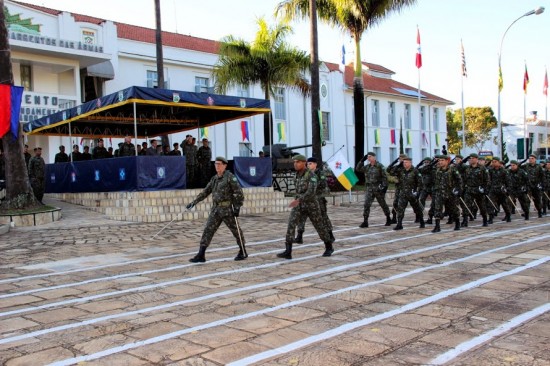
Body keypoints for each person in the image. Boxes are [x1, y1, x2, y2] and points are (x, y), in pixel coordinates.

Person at [186, 157, 247, 263]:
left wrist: (237, 207)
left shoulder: (230, 177)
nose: (217, 166)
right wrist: (193, 202)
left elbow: (239, 193)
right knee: (208, 230)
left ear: (225, 165)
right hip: (216, 209)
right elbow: (205, 192)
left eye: (219, 164)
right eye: (215, 164)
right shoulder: (214, 179)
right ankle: (201, 254)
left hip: (227, 209)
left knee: (236, 231)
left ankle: (243, 251)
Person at [277, 155, 335, 259]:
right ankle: (288, 251)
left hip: (312, 205)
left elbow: (311, 192)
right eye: (294, 162)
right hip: (299, 205)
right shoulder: (296, 175)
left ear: (304, 163)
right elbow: (298, 191)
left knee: (319, 226)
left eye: (298, 162)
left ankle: (329, 246)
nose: (295, 164)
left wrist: (299, 200)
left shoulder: (311, 175)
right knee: (291, 224)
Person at [294, 157, 334, 243]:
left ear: (315, 164)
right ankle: (299, 236)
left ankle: (330, 234)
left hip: (318, 198)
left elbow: (323, 184)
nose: (308, 165)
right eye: (307, 164)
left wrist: (313, 184)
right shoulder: (305, 173)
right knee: (301, 217)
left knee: (322, 217)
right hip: (306, 199)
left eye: (310, 163)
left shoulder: (320, 173)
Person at [355, 152, 392, 228]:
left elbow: (384, 177)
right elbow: (358, 169)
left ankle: (388, 218)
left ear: (374, 157)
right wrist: (362, 161)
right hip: (369, 189)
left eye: (370, 157)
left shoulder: (379, 166)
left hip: (378, 188)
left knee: (383, 204)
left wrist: (384, 188)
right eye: (368, 157)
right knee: (366, 204)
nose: (369, 158)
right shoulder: (367, 167)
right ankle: (365, 221)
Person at [388, 156, 424, 230]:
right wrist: (398, 164)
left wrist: (417, 192)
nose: (405, 164)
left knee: (417, 209)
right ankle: (399, 224)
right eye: (404, 162)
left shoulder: (415, 171)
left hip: (412, 194)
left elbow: (420, 183)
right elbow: (390, 171)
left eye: (406, 162)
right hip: (403, 193)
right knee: (400, 209)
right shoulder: (401, 170)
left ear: (410, 163)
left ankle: (422, 221)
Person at [431, 155, 463, 233]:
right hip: (439, 193)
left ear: (447, 161)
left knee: (454, 209)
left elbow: (459, 180)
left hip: (450, 193)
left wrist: (459, 190)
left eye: (442, 160)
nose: (440, 162)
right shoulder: (437, 170)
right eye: (439, 160)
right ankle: (437, 226)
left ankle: (457, 223)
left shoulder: (452, 169)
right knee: (437, 209)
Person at [461, 153, 489, 227]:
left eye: (473, 158)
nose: (471, 160)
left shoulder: (482, 168)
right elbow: (464, 179)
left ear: (477, 159)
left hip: (479, 189)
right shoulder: (467, 168)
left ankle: (485, 219)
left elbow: (487, 180)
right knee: (466, 205)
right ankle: (465, 220)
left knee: (481, 206)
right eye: (470, 158)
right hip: (469, 189)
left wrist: (485, 189)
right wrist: (463, 188)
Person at [487, 157, 512, 224]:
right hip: (493, 189)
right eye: (493, 162)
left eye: (495, 162)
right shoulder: (491, 170)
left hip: (501, 190)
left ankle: (508, 215)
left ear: (499, 162)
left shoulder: (504, 171)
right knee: (490, 203)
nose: (494, 163)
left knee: (504, 204)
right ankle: (490, 217)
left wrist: (508, 190)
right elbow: (489, 180)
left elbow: (508, 181)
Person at [387, 154, 408, 224]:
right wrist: (394, 162)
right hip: (399, 188)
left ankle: (419, 217)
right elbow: (388, 170)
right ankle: (394, 218)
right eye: (400, 159)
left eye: (402, 159)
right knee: (395, 203)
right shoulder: (397, 167)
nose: (401, 160)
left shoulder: (408, 168)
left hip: (407, 189)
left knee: (414, 204)